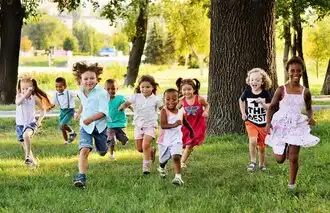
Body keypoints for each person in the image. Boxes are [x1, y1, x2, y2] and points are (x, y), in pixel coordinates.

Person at [265, 57, 320, 190]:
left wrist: (311, 118)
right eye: (292, 70)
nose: (296, 73)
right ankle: (284, 147)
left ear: (302, 72)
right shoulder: (281, 89)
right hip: (281, 124)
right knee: (279, 159)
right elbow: (272, 107)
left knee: (294, 158)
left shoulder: (305, 92)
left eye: (299, 71)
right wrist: (268, 123)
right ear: (287, 71)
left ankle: (291, 185)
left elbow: (308, 108)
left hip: (296, 125)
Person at [72, 62, 109, 188]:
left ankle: (106, 145)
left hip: (100, 127)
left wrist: (91, 119)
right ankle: (81, 177)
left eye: (92, 78)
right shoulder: (81, 91)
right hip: (85, 126)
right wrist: (78, 112)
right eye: (86, 79)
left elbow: (104, 112)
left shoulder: (102, 93)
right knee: (84, 149)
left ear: (97, 78)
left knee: (103, 151)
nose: (89, 81)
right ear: (80, 80)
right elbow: (84, 103)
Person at [119, 75, 163, 174]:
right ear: (139, 87)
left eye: (148, 87)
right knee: (140, 148)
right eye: (142, 87)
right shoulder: (136, 97)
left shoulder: (156, 99)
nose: (145, 89)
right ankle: (151, 151)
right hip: (138, 126)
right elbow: (127, 103)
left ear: (153, 87)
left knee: (145, 144)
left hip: (150, 126)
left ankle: (146, 168)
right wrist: (122, 107)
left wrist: (168, 118)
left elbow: (163, 110)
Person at [157, 88, 194, 185]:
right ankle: (161, 167)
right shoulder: (164, 111)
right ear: (164, 100)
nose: (171, 102)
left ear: (178, 100)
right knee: (162, 160)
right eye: (167, 99)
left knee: (176, 156)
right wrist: (174, 125)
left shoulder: (181, 111)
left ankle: (178, 177)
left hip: (176, 139)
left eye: (174, 99)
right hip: (164, 141)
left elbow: (185, 122)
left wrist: (191, 131)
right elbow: (163, 125)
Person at [239, 68, 272, 171]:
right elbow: (241, 100)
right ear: (249, 81)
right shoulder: (247, 92)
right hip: (251, 122)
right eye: (252, 80)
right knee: (252, 140)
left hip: (262, 123)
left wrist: (262, 103)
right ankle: (253, 162)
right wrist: (243, 113)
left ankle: (262, 165)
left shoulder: (265, 93)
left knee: (262, 147)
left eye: (257, 80)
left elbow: (270, 107)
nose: (254, 82)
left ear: (262, 82)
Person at [15, 77, 52, 167]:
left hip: (31, 123)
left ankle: (27, 157)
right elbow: (18, 103)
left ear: (32, 89)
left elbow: (43, 110)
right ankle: (33, 163)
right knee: (25, 145)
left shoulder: (34, 98)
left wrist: (39, 121)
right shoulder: (19, 96)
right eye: (23, 89)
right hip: (19, 125)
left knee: (26, 136)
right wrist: (24, 94)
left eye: (28, 89)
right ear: (20, 88)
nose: (25, 91)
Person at [176, 78, 209, 168]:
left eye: (189, 89)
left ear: (194, 89)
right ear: (181, 91)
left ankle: (182, 162)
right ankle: (186, 151)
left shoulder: (199, 99)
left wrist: (206, 111)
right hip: (186, 125)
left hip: (198, 124)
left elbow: (207, 105)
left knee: (189, 145)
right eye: (184, 90)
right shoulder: (182, 101)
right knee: (184, 143)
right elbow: (175, 109)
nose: (187, 92)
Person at [104, 79, 131, 160]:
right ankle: (111, 154)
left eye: (113, 89)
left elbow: (127, 104)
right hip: (110, 124)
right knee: (111, 140)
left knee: (124, 139)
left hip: (120, 123)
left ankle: (124, 140)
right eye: (108, 89)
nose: (110, 91)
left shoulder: (120, 98)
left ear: (117, 89)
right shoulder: (104, 100)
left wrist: (133, 109)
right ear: (104, 90)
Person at [51, 77, 76, 144]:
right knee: (62, 127)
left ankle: (72, 132)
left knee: (62, 125)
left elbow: (79, 96)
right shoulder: (55, 94)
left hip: (70, 111)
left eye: (60, 87)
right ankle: (66, 141)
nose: (58, 88)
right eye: (56, 87)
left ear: (65, 86)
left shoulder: (69, 93)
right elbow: (53, 104)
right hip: (62, 111)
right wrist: (48, 108)